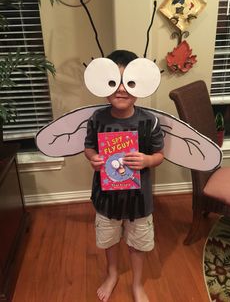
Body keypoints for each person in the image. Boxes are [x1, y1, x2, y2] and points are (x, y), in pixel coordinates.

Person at [84, 50, 164, 302]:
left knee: (137, 243)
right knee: (109, 240)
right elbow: (88, 146)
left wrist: (147, 160)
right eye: (113, 82)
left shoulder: (149, 121)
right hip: (107, 199)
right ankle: (112, 273)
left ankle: (138, 284)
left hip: (139, 201)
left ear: (140, 83)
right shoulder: (97, 119)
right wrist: (93, 158)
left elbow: (159, 154)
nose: (120, 89)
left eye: (128, 82)